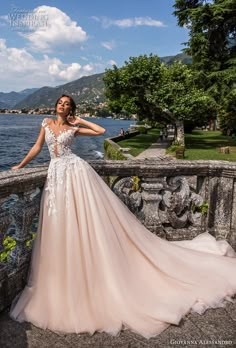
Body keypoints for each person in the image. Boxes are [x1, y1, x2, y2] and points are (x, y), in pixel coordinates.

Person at [10, 95, 236, 339]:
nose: (63, 106)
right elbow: (36, 146)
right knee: (59, 222)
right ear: (55, 106)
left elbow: (100, 130)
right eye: (60, 103)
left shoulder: (75, 128)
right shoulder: (45, 123)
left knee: (82, 220)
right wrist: (20, 166)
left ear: (71, 108)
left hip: (75, 173)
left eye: (67, 104)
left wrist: (80, 119)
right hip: (56, 175)